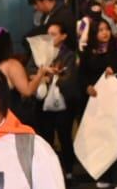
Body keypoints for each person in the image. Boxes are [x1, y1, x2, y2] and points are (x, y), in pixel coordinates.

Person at [79, 19, 117, 189]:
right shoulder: (89, 51)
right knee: (103, 137)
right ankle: (106, 175)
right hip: (98, 102)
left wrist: (115, 67)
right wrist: (87, 87)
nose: (104, 33)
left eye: (106, 29)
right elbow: (82, 73)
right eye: (100, 30)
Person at [32, 18, 81, 180]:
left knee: (64, 135)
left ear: (63, 36)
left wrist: (53, 76)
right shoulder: (40, 52)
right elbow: (31, 72)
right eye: (48, 34)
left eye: (53, 34)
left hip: (64, 102)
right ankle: (50, 171)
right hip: (43, 101)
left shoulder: (68, 55)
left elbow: (69, 78)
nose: (49, 37)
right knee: (46, 136)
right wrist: (43, 75)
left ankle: (68, 171)